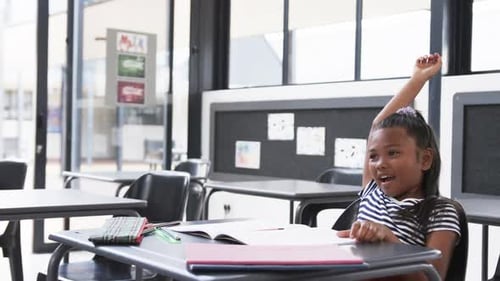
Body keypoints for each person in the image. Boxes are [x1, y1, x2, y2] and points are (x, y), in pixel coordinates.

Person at [337, 53, 462, 281]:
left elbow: (431, 277)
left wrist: (390, 243)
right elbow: (377, 125)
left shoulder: (441, 213)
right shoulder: (372, 191)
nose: (380, 163)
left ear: (425, 160)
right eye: (373, 156)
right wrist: (417, 80)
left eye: (393, 153)